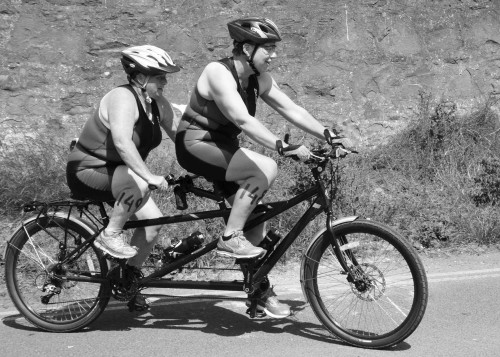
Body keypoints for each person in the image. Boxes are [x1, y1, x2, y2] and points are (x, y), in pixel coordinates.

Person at [175, 17, 351, 318]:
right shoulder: (218, 72)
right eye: (268, 48)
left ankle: (258, 291)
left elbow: (291, 109)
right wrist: (281, 146)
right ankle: (230, 238)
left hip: (224, 148)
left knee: (256, 220)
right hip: (196, 144)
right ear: (246, 48)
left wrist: (327, 134)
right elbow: (243, 120)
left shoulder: (259, 79)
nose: (274, 54)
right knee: (264, 169)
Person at [66, 45, 180, 310]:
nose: (165, 81)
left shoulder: (157, 104)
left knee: (152, 225)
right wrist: (149, 176)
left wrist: (205, 164)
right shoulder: (122, 97)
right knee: (140, 182)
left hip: (119, 173)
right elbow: (121, 142)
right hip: (88, 170)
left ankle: (127, 282)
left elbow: (181, 138)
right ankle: (111, 234)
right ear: (140, 77)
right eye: (160, 76)